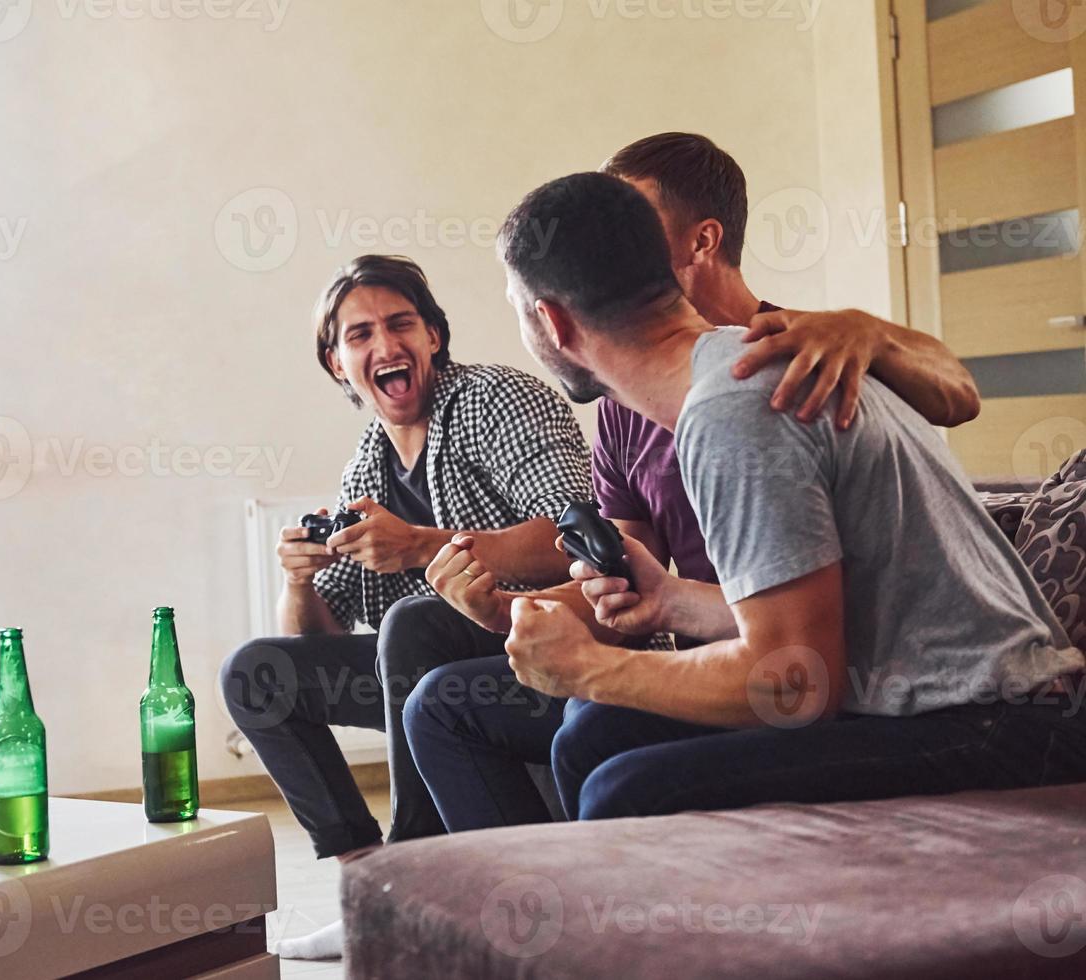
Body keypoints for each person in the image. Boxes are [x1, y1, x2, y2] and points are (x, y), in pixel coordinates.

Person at [421, 170, 1086, 830]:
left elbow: (795, 687)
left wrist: (589, 668)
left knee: (624, 790)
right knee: (596, 735)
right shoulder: (749, 366)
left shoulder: (734, 410)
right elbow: (816, 622)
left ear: (553, 321)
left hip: (1004, 722)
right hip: (950, 697)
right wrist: (670, 600)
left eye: (517, 308)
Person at [220, 254, 593, 959]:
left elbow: (570, 534)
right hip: (429, 667)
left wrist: (422, 544)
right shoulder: (369, 461)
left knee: (416, 620)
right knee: (256, 672)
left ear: (434, 338)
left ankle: (411, 870)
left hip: (544, 647)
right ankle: (366, 883)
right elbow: (316, 638)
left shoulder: (497, 400)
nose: (384, 346)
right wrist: (301, 580)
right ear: (337, 363)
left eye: (401, 326)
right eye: (359, 336)